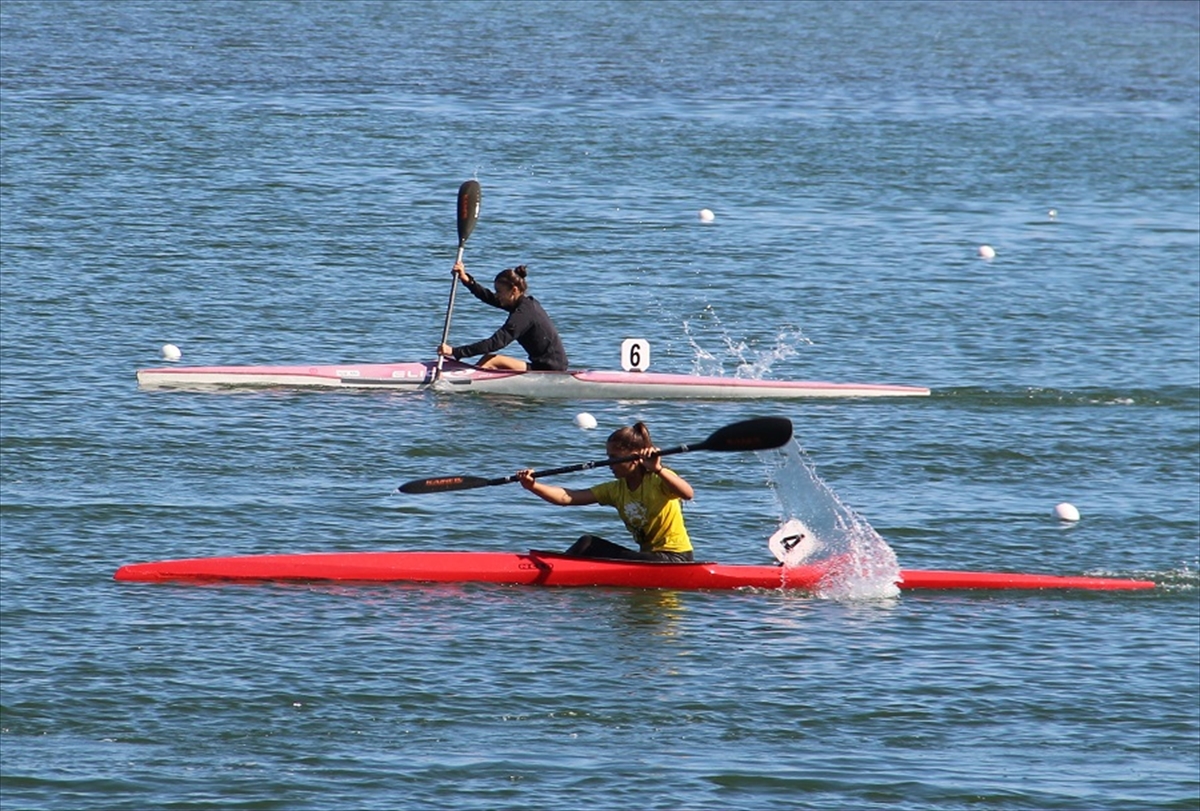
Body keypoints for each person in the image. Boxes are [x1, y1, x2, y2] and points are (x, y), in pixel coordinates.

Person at [516, 422, 696, 562]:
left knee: (588, 543)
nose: (609, 463)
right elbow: (567, 497)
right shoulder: (615, 489)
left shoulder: (657, 480)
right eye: (608, 457)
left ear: (635, 458)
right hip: (650, 558)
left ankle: (556, 570)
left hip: (675, 559)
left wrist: (658, 469)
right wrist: (533, 486)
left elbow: (688, 494)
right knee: (587, 544)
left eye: (614, 458)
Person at [437, 260, 568, 372]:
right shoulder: (523, 304)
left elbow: (495, 343)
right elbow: (489, 298)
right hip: (544, 365)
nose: (497, 295)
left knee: (491, 360)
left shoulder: (523, 314)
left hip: (550, 369)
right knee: (490, 360)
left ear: (514, 290)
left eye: (499, 292)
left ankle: (465, 381)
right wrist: (466, 280)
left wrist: (455, 352)